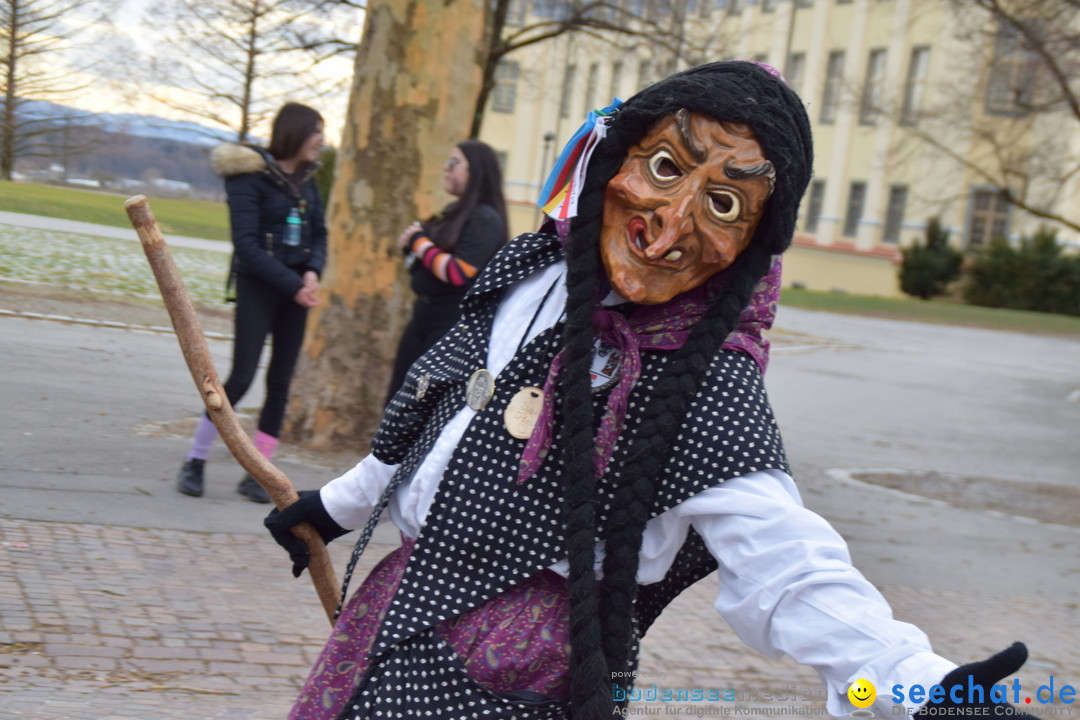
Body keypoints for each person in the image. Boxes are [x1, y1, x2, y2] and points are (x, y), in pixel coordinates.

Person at [265, 63, 1037, 720]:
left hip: (524, 667)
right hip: (398, 601)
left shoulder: (703, 378)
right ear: (613, 156)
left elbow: (784, 560)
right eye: (665, 167)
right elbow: (444, 419)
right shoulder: (531, 276)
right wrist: (338, 505)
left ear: (753, 246)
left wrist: (914, 682)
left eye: (725, 205)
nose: (667, 232)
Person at [177, 102, 327, 503]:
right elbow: (246, 246)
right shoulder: (248, 176)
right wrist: (294, 284)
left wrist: (312, 271)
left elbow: (321, 235)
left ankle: (260, 475)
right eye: (316, 132)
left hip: (297, 292)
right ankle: (194, 460)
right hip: (259, 288)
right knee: (241, 378)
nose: (322, 141)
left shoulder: (309, 180)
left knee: (280, 383)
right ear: (295, 133)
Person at [385, 139, 508, 404]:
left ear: (476, 171)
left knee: (420, 403)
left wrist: (418, 242)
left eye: (454, 163)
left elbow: (457, 272)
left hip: (451, 324)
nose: (446, 169)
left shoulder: (485, 219)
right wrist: (409, 247)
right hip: (423, 317)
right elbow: (427, 259)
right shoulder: (454, 211)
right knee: (398, 398)